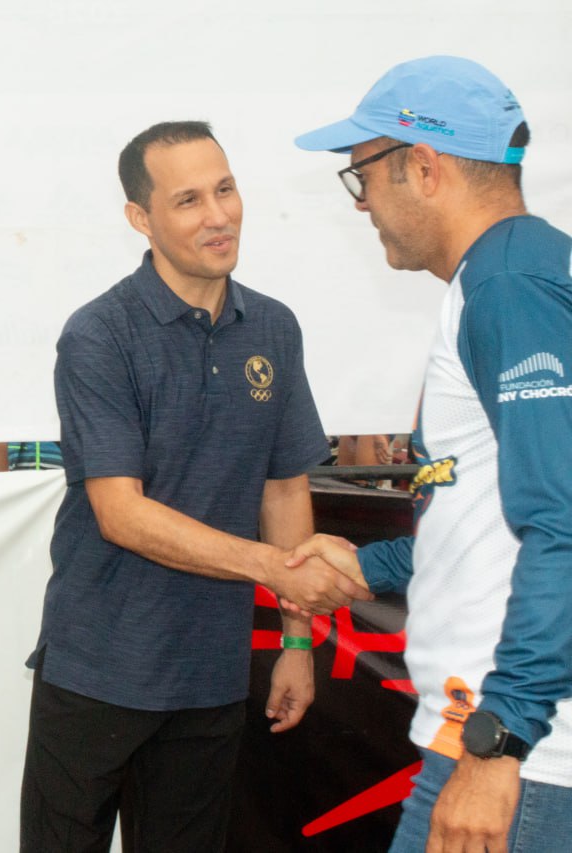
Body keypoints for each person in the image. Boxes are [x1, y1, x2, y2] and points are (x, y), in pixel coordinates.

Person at [19, 121, 371, 853]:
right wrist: (270, 567)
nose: (218, 216)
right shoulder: (99, 335)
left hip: (211, 673)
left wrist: (297, 642)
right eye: (188, 200)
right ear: (140, 218)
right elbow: (120, 513)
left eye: (225, 189)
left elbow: (283, 490)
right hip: (97, 668)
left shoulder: (274, 328)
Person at [294, 56, 572, 852]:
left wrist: (501, 741)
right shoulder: (515, 273)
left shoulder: (509, 288)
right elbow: (489, 514)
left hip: (513, 750)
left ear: (423, 167)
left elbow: (562, 520)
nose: (362, 205)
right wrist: (368, 566)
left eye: (362, 177)